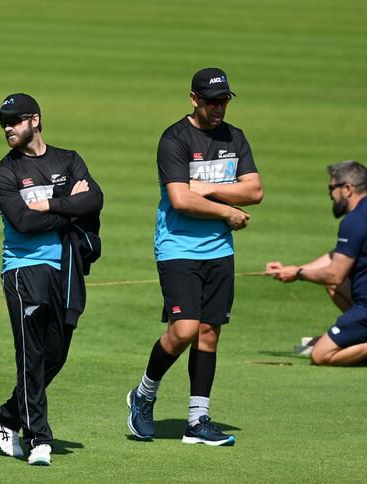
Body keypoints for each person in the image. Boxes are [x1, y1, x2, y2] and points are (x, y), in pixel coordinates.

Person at [126, 68, 263, 446]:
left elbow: (255, 190)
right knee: (184, 330)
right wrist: (226, 210)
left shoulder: (235, 137)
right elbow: (180, 199)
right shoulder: (175, 138)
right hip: (177, 247)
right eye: (211, 101)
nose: (219, 108)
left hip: (219, 251)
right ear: (194, 99)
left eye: (224, 101)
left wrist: (205, 186)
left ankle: (197, 421)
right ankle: (144, 394)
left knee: (209, 334)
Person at [0, 93, 103, 465]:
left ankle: (6, 416)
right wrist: (69, 205)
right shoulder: (3, 172)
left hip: (66, 270)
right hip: (23, 269)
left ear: (34, 120)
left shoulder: (68, 160)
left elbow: (95, 200)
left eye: (14, 120)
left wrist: (50, 204)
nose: (7, 127)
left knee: (56, 353)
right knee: (32, 354)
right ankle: (38, 438)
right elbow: (23, 222)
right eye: (3, 122)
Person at [265, 160, 367, 369]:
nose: (330, 194)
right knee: (332, 288)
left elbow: (334, 274)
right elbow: (336, 257)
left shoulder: (356, 220)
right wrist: (293, 271)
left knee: (321, 355)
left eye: (332, 188)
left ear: (347, 189)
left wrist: (300, 273)